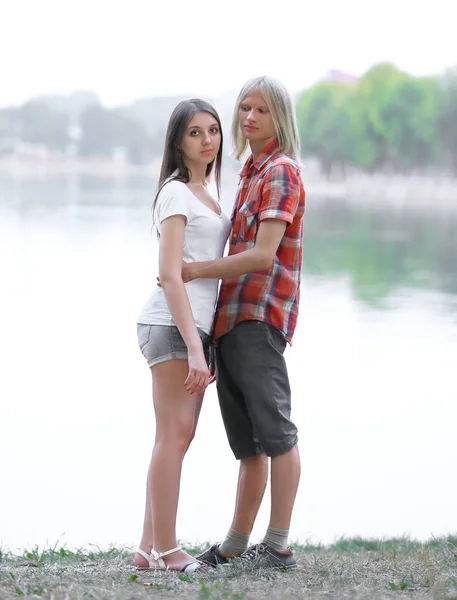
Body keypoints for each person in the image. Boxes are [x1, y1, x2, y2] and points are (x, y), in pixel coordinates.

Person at [181, 76, 306, 569]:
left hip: (258, 318)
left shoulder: (280, 171)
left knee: (277, 435)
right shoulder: (250, 172)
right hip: (230, 321)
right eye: (244, 109)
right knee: (247, 445)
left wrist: (194, 270)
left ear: (280, 119)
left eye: (261, 110)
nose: (249, 117)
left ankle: (277, 546)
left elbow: (262, 255)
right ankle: (235, 544)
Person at [133, 99, 231, 573]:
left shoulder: (206, 191)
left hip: (192, 328)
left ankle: (148, 548)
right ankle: (168, 551)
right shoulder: (176, 193)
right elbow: (170, 275)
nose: (207, 139)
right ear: (177, 141)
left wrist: (203, 341)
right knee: (174, 436)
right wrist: (195, 348)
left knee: (175, 437)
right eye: (195, 132)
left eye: (213, 130)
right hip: (173, 326)